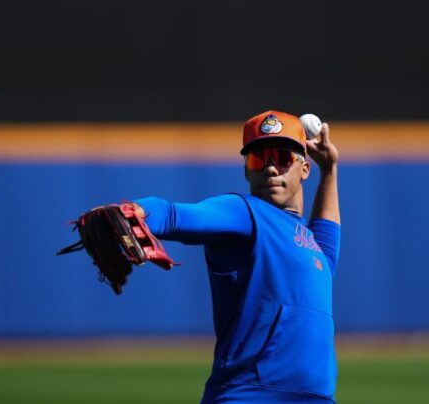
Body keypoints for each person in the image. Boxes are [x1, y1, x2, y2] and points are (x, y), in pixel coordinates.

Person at [133, 110, 340, 403]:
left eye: (281, 158)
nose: (270, 169)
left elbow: (328, 249)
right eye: (258, 159)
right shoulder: (244, 212)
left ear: (304, 168)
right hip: (250, 395)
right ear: (246, 170)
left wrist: (330, 171)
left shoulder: (310, 244)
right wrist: (135, 211)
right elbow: (176, 214)